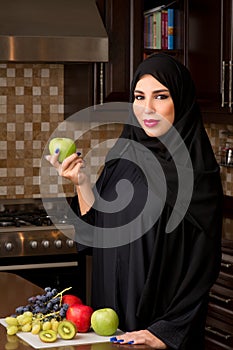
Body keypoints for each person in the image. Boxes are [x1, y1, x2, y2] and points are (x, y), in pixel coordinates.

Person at [46, 53, 223, 349]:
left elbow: (203, 268)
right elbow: (94, 236)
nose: (147, 108)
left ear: (181, 101)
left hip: (157, 330)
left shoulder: (197, 175)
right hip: (110, 320)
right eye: (139, 97)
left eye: (161, 96)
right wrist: (82, 183)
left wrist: (166, 332)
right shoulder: (122, 157)